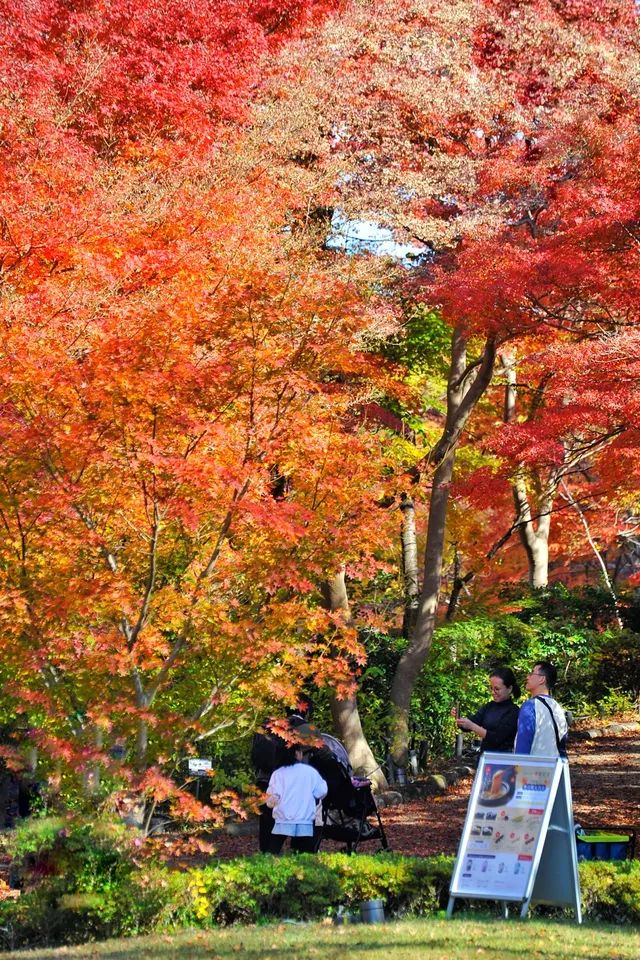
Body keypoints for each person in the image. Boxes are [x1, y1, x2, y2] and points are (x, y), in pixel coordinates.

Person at [266, 743, 328, 854]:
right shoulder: (310, 772)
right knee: (305, 856)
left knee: (272, 852)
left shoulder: (278, 774)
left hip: (282, 820)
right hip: (305, 820)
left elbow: (271, 801)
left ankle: (266, 870)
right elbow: (321, 792)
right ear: (297, 753)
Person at [454, 666, 520, 754]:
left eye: (497, 689)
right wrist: (460, 719)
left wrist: (472, 726)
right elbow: (470, 724)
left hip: (502, 762)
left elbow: (497, 738)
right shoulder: (489, 706)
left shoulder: (513, 711)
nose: (493, 692)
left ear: (509, 689)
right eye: (491, 688)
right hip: (485, 759)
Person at [515, 660, 568, 757]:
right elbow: (562, 746)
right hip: (555, 769)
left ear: (542, 679)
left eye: (531, 673)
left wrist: (517, 769)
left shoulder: (530, 706)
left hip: (533, 770)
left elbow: (523, 745)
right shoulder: (557, 708)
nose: (527, 677)